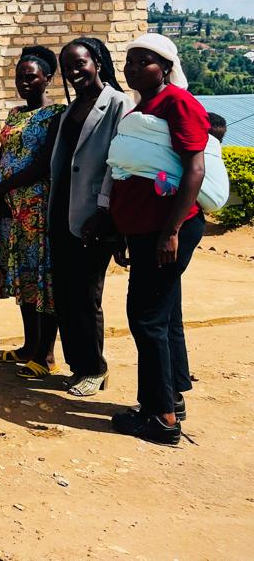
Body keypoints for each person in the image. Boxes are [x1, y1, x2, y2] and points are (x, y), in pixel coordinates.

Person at [110, 33, 208, 446]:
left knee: (146, 317)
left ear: (166, 67)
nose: (133, 69)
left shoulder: (178, 103)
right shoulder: (144, 106)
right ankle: (169, 400)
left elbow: (195, 169)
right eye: (130, 61)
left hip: (168, 229)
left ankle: (162, 418)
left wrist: (170, 232)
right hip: (145, 229)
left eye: (144, 61)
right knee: (162, 316)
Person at [48, 37, 130, 397]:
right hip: (62, 212)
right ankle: (78, 365)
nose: (74, 72)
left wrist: (104, 209)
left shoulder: (117, 104)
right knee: (65, 294)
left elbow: (119, 161)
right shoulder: (72, 107)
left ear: (96, 61)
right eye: (67, 68)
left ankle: (95, 368)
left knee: (86, 295)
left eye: (79, 63)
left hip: (93, 216)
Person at [0, 47, 65, 378]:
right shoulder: (16, 113)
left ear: (47, 79)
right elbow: (3, 153)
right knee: (22, 277)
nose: (24, 83)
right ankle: (28, 347)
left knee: (41, 279)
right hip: (10, 211)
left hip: (35, 210)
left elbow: (42, 164)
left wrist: (2, 188)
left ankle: (45, 355)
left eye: (31, 77)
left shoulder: (57, 115)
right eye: (19, 77)